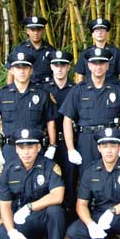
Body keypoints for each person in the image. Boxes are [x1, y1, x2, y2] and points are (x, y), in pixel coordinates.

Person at [0, 128, 67, 239]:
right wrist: (11, 230)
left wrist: (30, 207)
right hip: (22, 218)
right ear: (16, 149)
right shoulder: (8, 169)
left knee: (56, 211)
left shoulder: (49, 166)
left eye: (30, 147)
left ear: (38, 147)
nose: (26, 152)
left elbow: (58, 196)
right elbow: (4, 204)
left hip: (44, 216)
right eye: (22, 148)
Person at [59, 48, 120, 176]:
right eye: (95, 63)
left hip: (111, 140)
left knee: (112, 176)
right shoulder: (78, 91)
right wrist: (70, 149)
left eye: (102, 63)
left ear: (107, 65)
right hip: (87, 142)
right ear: (89, 65)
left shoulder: (116, 90)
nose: (98, 67)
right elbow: (67, 120)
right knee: (87, 177)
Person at [0, 52, 58, 164]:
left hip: (36, 149)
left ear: (31, 70)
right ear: (12, 70)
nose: (22, 71)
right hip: (11, 149)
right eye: (18, 68)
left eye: (25, 68)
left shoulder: (42, 94)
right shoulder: (1, 95)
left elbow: (50, 120)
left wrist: (52, 146)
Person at [44, 50, 77, 223]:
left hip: (68, 142)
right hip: (48, 143)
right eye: (56, 65)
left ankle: (70, 216)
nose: (59, 69)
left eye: (63, 65)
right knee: (48, 179)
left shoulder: (76, 89)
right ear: (51, 66)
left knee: (70, 178)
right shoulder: (43, 89)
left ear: (68, 67)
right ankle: (50, 218)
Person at [6, 16, 55, 84]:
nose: (36, 33)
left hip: (45, 87)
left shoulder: (51, 50)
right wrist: (11, 91)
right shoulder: (20, 49)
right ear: (28, 31)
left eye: (38, 30)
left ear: (43, 31)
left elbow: (55, 72)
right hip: (26, 88)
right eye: (33, 30)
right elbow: (11, 72)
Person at [74, 18, 120, 83]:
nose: (100, 32)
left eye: (102, 30)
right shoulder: (86, 53)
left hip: (111, 90)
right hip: (89, 91)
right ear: (93, 35)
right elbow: (80, 77)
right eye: (97, 30)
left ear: (107, 33)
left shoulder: (116, 52)